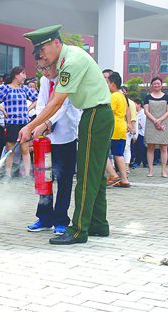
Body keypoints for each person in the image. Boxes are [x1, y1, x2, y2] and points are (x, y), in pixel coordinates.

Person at [20, 25, 114, 245]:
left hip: (95, 116)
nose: (40, 55)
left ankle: (79, 230)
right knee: (96, 175)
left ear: (56, 43)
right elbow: (52, 81)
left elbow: (57, 101)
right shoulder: (65, 61)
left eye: (42, 48)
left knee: (85, 175)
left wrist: (31, 125)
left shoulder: (71, 62)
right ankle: (98, 224)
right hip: (95, 115)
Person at [26, 57, 80, 235]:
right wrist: (40, 123)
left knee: (64, 180)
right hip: (46, 139)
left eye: (47, 69)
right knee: (44, 177)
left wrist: (46, 123)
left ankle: (61, 220)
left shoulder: (66, 78)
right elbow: (42, 103)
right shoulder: (44, 80)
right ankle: (44, 217)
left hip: (65, 136)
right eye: (41, 69)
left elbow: (62, 105)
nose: (44, 73)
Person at [0, 66, 38, 178]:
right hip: (11, 122)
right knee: (10, 149)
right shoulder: (5, 88)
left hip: (24, 122)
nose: (25, 76)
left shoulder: (25, 88)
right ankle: (8, 174)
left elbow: (36, 99)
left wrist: (28, 109)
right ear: (16, 75)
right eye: (23, 73)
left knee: (25, 149)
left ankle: (27, 174)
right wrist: (3, 110)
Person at [105, 71, 131, 187]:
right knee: (119, 154)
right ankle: (124, 179)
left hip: (113, 128)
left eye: (107, 82)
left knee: (103, 153)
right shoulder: (122, 96)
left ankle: (113, 175)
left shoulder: (114, 96)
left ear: (113, 84)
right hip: (121, 127)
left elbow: (107, 112)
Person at [144, 77, 168, 177]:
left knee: (164, 147)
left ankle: (164, 170)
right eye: (154, 84)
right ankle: (150, 170)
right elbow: (146, 111)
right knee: (150, 147)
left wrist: (160, 120)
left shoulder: (167, 97)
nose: (156, 85)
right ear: (152, 85)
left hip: (163, 124)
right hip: (151, 124)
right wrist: (155, 120)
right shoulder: (147, 97)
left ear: (161, 85)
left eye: (158, 83)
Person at [134, 99, 147, 168]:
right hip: (136, 133)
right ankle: (137, 161)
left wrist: (137, 124)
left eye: (135, 104)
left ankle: (144, 162)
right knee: (136, 149)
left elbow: (142, 125)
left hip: (142, 133)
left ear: (139, 104)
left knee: (142, 148)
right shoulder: (135, 112)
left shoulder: (143, 113)